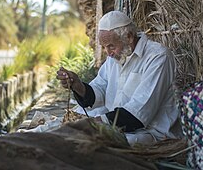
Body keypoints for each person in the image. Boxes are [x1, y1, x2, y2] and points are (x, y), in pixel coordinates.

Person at [56, 10, 182, 145]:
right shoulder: (115, 58)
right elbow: (99, 90)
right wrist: (78, 85)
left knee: (90, 143)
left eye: (111, 46)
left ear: (129, 37)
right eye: (104, 47)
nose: (108, 53)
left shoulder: (158, 57)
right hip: (117, 127)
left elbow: (139, 112)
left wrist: (95, 123)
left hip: (151, 134)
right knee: (62, 132)